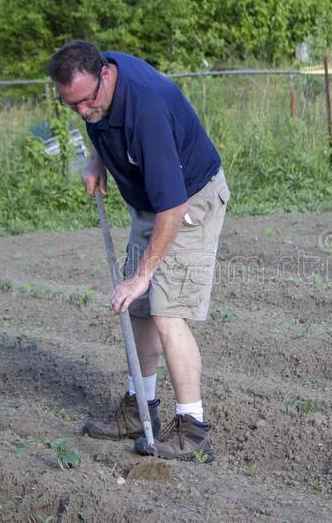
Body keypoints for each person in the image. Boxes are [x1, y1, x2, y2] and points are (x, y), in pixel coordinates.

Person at [46, 40, 229, 462]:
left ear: (105, 76)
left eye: (85, 102)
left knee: (166, 311)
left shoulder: (146, 110)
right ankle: (139, 409)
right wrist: (99, 158)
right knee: (140, 308)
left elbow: (174, 207)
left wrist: (143, 273)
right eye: (68, 105)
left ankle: (194, 429)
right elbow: (101, 120)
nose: (80, 112)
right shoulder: (97, 88)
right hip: (151, 202)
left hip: (188, 204)